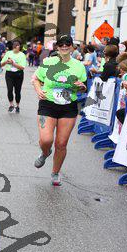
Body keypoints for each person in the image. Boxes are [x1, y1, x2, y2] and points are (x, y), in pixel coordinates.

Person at [32, 35, 87, 187]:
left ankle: (55, 173)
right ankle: (45, 153)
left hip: (68, 106)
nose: (64, 46)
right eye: (61, 44)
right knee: (46, 140)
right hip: (47, 104)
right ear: (57, 47)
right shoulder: (48, 62)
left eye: (67, 43)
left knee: (61, 143)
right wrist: (38, 89)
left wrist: (82, 87)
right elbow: (36, 79)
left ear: (72, 47)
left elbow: (83, 87)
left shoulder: (79, 66)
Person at [1, 39, 27, 113]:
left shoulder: (22, 55)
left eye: (18, 46)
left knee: (17, 91)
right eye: (15, 46)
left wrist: (13, 63)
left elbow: (22, 67)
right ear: (13, 46)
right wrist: (6, 61)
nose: (16, 47)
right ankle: (11, 105)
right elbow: (1, 64)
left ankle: (17, 105)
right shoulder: (8, 53)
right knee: (9, 89)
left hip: (19, 74)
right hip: (9, 74)